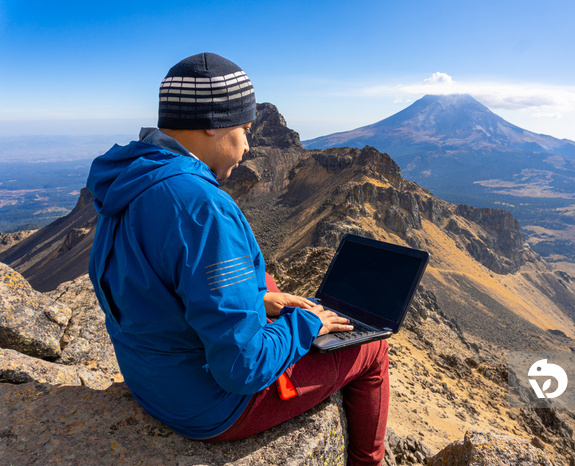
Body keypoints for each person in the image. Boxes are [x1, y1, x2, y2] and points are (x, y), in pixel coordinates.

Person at [87, 52, 389, 465]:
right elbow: (241, 369)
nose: (248, 146)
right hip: (208, 408)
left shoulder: (129, 178)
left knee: (270, 293)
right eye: (244, 129)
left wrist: (257, 302)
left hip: (151, 382)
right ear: (212, 122)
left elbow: (151, 288)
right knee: (372, 351)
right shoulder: (201, 207)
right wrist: (307, 324)